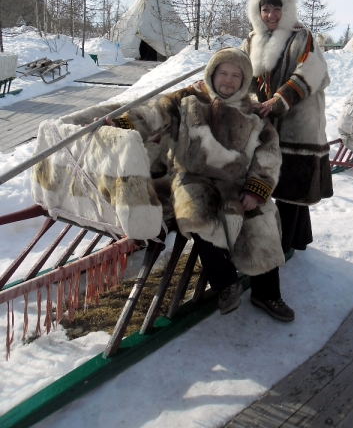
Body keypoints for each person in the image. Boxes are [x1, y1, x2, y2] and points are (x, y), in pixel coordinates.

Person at [63, 48, 294, 321]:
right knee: (195, 214)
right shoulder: (188, 99)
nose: (228, 81)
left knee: (262, 219)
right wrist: (123, 123)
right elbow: (154, 114)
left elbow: (268, 153)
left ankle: (267, 293)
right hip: (192, 177)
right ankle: (225, 283)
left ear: (244, 80)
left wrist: (256, 188)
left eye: (235, 76)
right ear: (212, 73)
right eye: (223, 73)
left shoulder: (253, 112)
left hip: (237, 182)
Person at [241, 0, 333, 253]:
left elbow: (313, 71)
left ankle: (283, 246)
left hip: (299, 120)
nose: (271, 15)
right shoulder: (253, 41)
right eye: (265, 10)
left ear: (287, 9)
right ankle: (300, 238)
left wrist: (279, 100)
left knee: (292, 185)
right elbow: (245, 74)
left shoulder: (300, 36)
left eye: (276, 9)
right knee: (277, 179)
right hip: (269, 120)